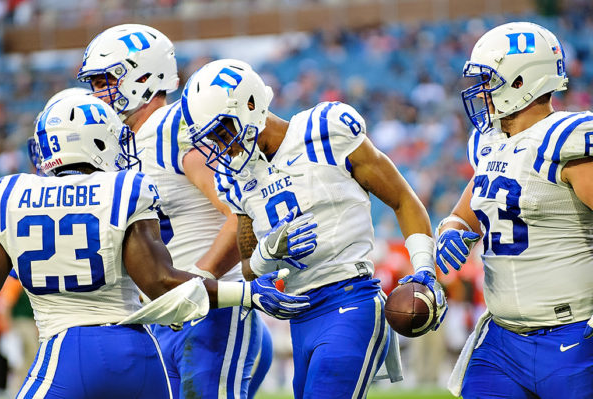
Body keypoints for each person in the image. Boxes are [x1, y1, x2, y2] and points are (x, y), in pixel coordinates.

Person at [0, 94, 310, 399]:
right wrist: (247, 293)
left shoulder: (9, 194)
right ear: (98, 141)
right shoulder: (124, 188)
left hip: (65, 350)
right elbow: (160, 281)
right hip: (137, 353)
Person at [181, 58, 448, 399]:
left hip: (351, 299)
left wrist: (425, 268)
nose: (222, 147)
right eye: (213, 139)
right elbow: (249, 270)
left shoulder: (325, 131)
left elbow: (402, 199)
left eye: (222, 131)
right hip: (299, 314)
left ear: (250, 106)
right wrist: (266, 254)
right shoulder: (236, 179)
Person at [77, 24, 275, 398]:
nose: (97, 93)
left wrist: (201, 277)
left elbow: (242, 211)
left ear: (144, 77)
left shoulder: (172, 128)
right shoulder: (124, 146)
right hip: (170, 318)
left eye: (106, 80)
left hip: (209, 314)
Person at [435, 22, 593, 399]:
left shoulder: (564, 140)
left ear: (521, 82)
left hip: (573, 334)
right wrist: (453, 229)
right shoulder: (489, 143)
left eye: (489, 80)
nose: (479, 92)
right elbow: (467, 209)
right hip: (501, 341)